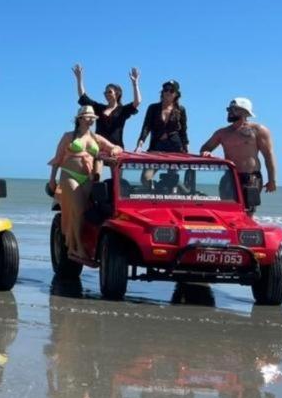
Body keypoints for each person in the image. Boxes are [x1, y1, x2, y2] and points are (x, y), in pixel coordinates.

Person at [48, 106, 122, 258]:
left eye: (93, 118)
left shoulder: (96, 138)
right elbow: (57, 159)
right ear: (80, 119)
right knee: (78, 210)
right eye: (88, 117)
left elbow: (116, 147)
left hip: (86, 178)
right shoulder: (68, 136)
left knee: (80, 213)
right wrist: (52, 179)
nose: (91, 120)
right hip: (69, 175)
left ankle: (72, 246)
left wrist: (114, 150)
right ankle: (78, 247)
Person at [199, 97, 278, 206]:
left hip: (251, 177)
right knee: (229, 209)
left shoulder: (258, 130)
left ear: (245, 112)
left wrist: (272, 180)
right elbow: (205, 147)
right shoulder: (222, 133)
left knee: (248, 211)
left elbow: (268, 155)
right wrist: (205, 153)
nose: (230, 112)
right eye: (229, 109)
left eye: (234, 109)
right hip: (230, 177)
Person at [72, 64, 142, 147]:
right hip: (99, 148)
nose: (106, 94)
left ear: (117, 94)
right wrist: (79, 79)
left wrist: (135, 84)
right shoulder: (99, 108)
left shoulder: (123, 110)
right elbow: (83, 97)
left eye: (109, 92)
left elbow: (137, 101)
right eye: (105, 92)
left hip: (116, 149)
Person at [135, 80, 188, 153]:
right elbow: (146, 127)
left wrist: (186, 149)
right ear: (162, 92)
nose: (168, 92)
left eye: (171, 91)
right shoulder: (153, 108)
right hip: (156, 146)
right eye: (166, 90)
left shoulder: (181, 109)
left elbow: (183, 131)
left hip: (176, 147)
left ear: (176, 94)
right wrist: (140, 145)